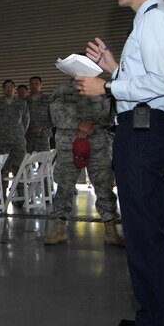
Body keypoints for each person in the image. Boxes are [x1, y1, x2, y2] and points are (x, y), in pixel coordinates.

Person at [76, 0, 164, 326]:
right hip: (142, 129)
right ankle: (156, 316)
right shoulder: (150, 19)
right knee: (144, 232)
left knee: (147, 236)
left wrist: (105, 86)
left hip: (145, 132)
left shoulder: (156, 18)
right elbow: (151, 79)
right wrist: (115, 67)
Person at [44, 78, 124, 247]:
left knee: (104, 186)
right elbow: (56, 115)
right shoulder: (63, 89)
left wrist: (92, 125)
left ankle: (111, 231)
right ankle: (59, 230)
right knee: (64, 186)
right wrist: (79, 124)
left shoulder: (102, 87)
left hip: (99, 144)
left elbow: (112, 115)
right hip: (68, 145)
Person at [0, 79, 29, 177]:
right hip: (2, 142)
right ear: (3, 89)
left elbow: (26, 121)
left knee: (20, 169)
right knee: (3, 169)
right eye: (6, 87)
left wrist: (19, 133)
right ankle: (3, 192)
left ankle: (20, 192)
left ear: (14, 89)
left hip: (18, 142)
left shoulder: (22, 103)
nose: (8, 89)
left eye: (10, 87)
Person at [25, 76, 53, 152]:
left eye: (36, 83)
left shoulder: (49, 99)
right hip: (28, 137)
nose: (34, 86)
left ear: (41, 85)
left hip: (43, 137)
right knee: (26, 163)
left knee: (44, 162)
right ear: (29, 86)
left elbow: (54, 119)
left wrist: (42, 128)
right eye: (32, 84)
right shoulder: (24, 101)